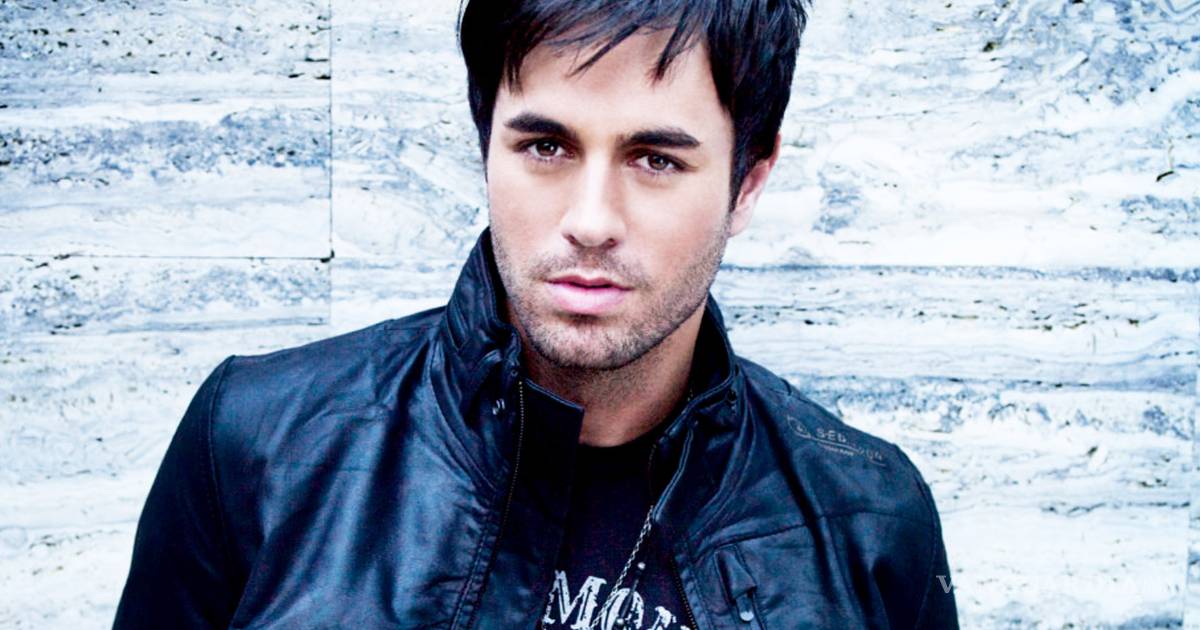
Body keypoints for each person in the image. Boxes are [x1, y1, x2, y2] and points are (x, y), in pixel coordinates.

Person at [113, 0, 960, 628]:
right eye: (546, 147)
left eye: (656, 159)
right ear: (486, 147)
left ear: (748, 184)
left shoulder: (868, 520)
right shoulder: (257, 443)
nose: (591, 221)